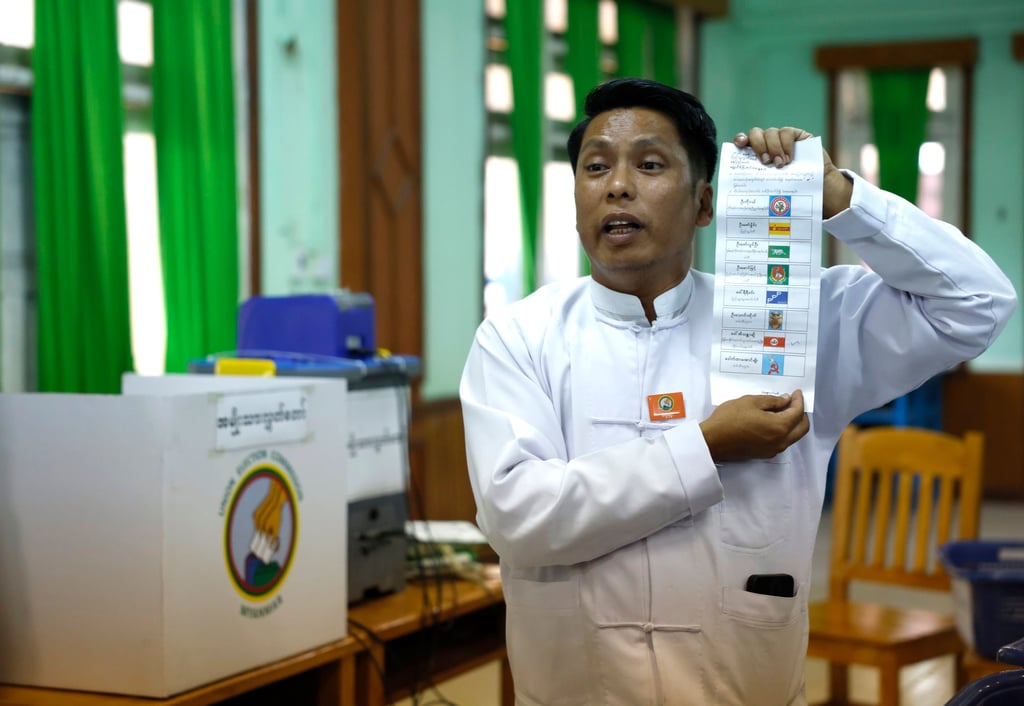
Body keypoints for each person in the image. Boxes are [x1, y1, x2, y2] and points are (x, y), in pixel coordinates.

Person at [459, 77, 1017, 705]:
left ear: (704, 204)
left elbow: (977, 303)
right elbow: (519, 518)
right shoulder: (520, 338)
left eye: (648, 164)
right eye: (595, 167)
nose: (617, 185)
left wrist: (842, 199)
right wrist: (704, 447)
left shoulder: (792, 323)